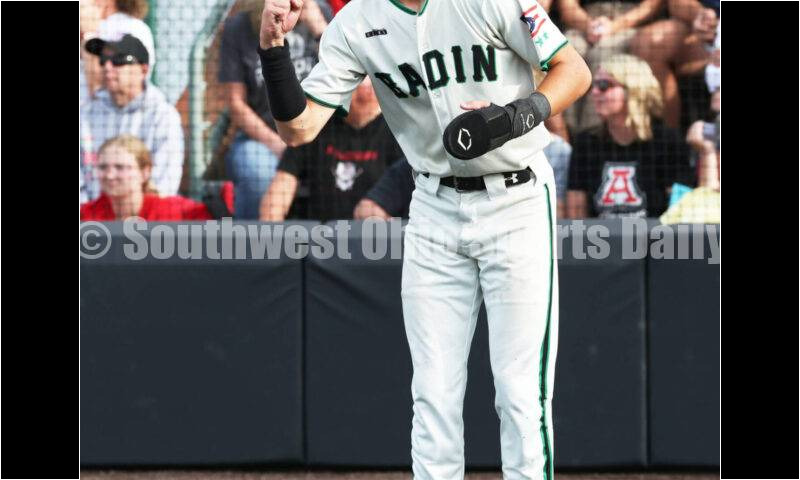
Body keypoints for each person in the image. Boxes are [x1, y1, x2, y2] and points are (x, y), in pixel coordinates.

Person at [258, 0, 592, 477]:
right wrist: (273, 49)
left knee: (520, 391)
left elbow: (573, 70)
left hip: (515, 198)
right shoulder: (357, 21)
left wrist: (515, 116)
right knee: (433, 392)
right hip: (434, 205)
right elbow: (298, 127)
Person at [218, 0, 331, 219]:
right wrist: (277, 143)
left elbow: (346, 73)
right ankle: (253, 249)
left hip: (319, 132)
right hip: (263, 138)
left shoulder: (322, 12)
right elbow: (236, 104)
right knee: (255, 171)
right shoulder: (238, 27)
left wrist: (318, 27)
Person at [566, 54, 695, 219]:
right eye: (594, 86)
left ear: (633, 90)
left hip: (655, 241)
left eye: (604, 85)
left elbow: (678, 211)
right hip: (599, 240)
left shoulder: (667, 142)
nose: (594, 92)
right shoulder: (586, 143)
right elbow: (576, 214)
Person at [259, 77, 403, 222]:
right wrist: (271, 232)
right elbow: (281, 188)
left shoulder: (397, 129)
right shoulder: (314, 125)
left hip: (375, 237)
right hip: (321, 237)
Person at [80, 34, 184, 202]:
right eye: (103, 60)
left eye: (118, 60)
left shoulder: (163, 116)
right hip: (89, 218)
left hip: (145, 220)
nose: (107, 67)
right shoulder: (86, 114)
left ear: (143, 70)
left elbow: (164, 185)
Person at [81, 135, 213, 221]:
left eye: (120, 167)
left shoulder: (179, 211)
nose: (109, 175)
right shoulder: (84, 215)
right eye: (103, 167)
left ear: (145, 172)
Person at [80, 0, 155, 106]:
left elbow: (97, 89)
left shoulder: (129, 26)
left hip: (114, 116)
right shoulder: (101, 26)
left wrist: (89, 34)